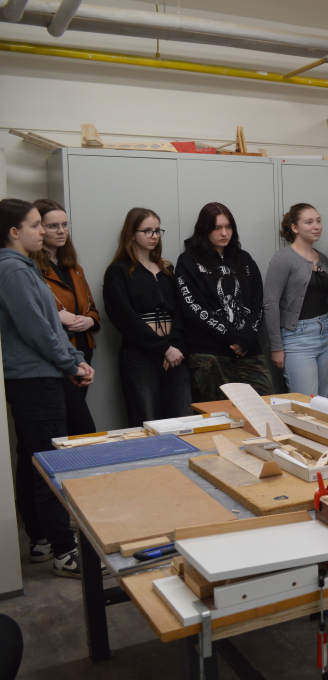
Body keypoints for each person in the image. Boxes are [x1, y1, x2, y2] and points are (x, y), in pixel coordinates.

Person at [0, 198, 94, 576]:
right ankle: (64, 552)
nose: (43, 231)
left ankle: (44, 541)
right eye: (36, 225)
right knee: (49, 466)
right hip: (34, 380)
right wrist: (71, 363)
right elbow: (38, 330)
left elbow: (47, 326)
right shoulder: (13, 270)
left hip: (41, 376)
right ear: (14, 232)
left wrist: (72, 362)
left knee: (37, 461)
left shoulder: (22, 266)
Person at [176, 203, 273, 402]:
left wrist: (245, 338)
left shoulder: (244, 259)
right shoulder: (188, 261)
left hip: (248, 349)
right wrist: (232, 337)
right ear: (204, 230)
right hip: (209, 354)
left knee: (265, 408)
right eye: (217, 228)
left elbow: (257, 304)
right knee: (221, 413)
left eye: (228, 227)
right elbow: (193, 309)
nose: (224, 233)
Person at [103, 207, 191, 426]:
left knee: (183, 419)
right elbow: (125, 318)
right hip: (140, 355)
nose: (154, 236)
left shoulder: (166, 269)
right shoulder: (119, 271)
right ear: (132, 233)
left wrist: (175, 346)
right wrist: (164, 348)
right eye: (147, 231)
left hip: (175, 354)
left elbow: (181, 311)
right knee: (147, 419)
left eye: (157, 231)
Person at [31, 199, 99, 436]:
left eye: (64, 225)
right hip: (57, 352)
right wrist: (57, 316)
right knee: (75, 426)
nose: (61, 231)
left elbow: (92, 309)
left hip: (82, 349)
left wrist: (89, 321)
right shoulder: (31, 268)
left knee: (74, 423)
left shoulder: (74, 267)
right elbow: (34, 313)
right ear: (39, 229)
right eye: (53, 226)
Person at [265, 203, 328, 397]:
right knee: (306, 403)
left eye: (318, 221)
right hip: (297, 338)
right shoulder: (283, 258)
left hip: (327, 334)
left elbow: (327, 299)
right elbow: (270, 303)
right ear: (295, 228)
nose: (317, 226)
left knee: (326, 403)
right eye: (309, 222)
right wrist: (277, 347)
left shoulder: (323, 259)